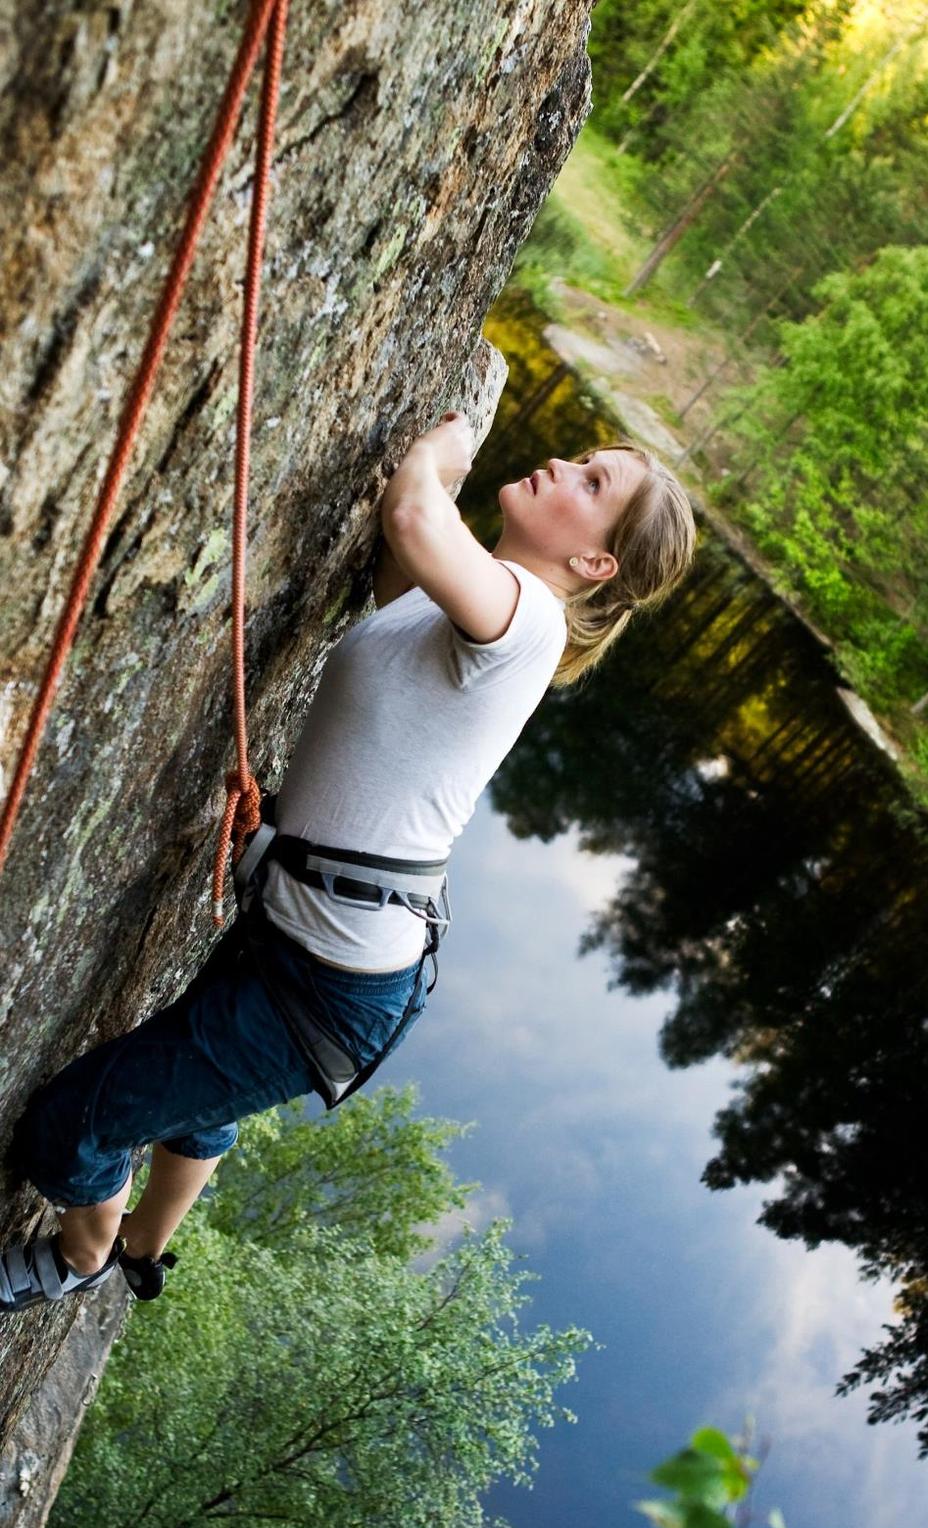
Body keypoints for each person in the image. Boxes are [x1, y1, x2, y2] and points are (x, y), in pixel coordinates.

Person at [1, 412, 696, 1312]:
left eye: (592, 484)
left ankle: (81, 1258)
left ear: (595, 564)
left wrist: (445, 452)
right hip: (313, 939)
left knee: (69, 1128)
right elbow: (397, 566)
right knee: (203, 1099)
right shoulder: (467, 601)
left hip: (329, 981)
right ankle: (144, 1248)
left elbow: (412, 518)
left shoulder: (531, 625)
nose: (564, 465)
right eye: (585, 461)